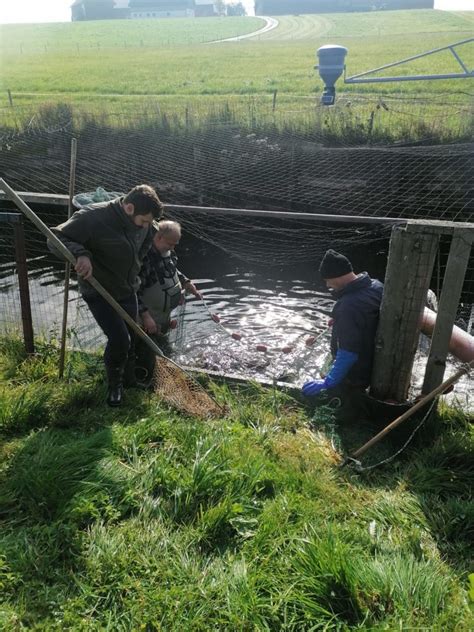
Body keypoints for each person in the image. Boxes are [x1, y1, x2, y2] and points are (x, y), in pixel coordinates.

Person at [49, 184, 164, 407]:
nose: (147, 226)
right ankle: (114, 387)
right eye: (144, 221)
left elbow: (147, 239)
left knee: (131, 337)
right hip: (99, 290)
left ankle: (129, 379)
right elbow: (55, 238)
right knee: (119, 339)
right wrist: (81, 255)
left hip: (127, 289)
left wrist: (136, 267)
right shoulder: (93, 217)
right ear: (129, 208)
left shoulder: (146, 224)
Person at [302, 249, 383, 401]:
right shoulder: (376, 286)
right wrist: (341, 321)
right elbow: (367, 316)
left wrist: (328, 382)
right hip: (377, 358)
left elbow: (349, 353)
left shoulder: (347, 306)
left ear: (335, 277)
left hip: (358, 373)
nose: (328, 285)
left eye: (327, 280)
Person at [135, 220, 201, 385]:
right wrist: (146, 317)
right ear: (158, 237)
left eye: (175, 245)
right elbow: (133, 292)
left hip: (163, 317)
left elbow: (174, 271)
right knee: (145, 353)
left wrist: (186, 283)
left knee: (163, 351)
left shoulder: (168, 253)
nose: (173, 248)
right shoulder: (145, 260)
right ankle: (143, 383)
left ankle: (162, 378)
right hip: (145, 319)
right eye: (170, 244)